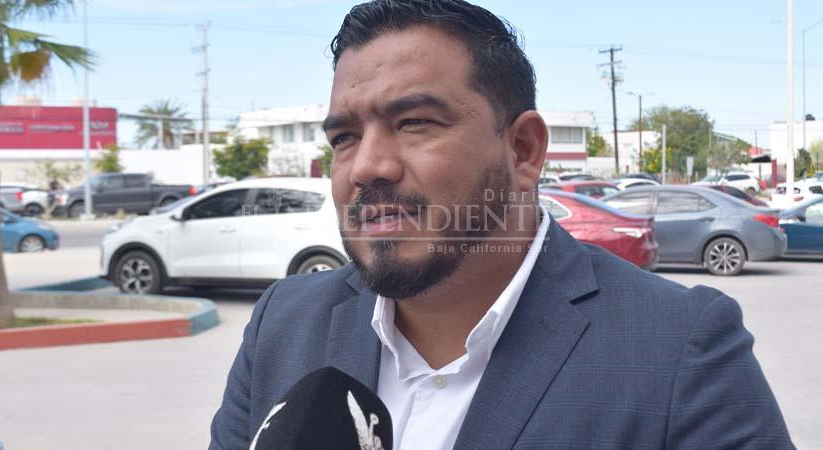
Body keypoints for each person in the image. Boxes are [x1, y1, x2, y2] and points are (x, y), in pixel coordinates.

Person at [210, 1, 794, 449]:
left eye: (414, 122)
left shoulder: (678, 348)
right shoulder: (284, 323)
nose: (366, 166)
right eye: (344, 137)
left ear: (523, 150)